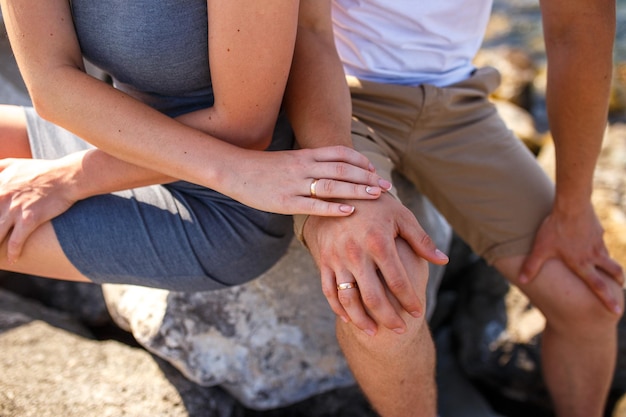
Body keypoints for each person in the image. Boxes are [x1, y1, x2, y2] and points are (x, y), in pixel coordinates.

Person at [294, 0, 626, 416]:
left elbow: (578, 29)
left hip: (456, 102)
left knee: (588, 297)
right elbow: (308, 30)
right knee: (380, 295)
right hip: (339, 99)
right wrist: (341, 180)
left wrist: (573, 210)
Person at [0, 0, 393, 293]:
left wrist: (69, 177)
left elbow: (243, 127)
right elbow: (50, 84)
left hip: (225, 197)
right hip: (118, 140)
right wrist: (65, 175)